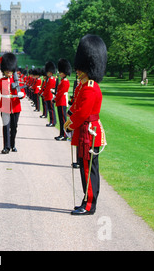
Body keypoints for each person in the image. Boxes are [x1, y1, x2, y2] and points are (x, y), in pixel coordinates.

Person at [64, 35, 107, 216]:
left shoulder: (90, 87)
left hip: (88, 132)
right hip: (84, 131)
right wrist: (70, 114)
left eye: (80, 68)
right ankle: (86, 199)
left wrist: (69, 125)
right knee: (84, 167)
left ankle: (90, 204)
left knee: (88, 169)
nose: (77, 71)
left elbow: (82, 112)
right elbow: (76, 106)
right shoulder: (83, 86)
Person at [0, 53, 25, 154]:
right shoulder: (0, 81)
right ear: (4, 71)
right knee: (6, 126)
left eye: (10, 70)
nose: (8, 72)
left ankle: (12, 144)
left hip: (15, 106)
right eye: (7, 70)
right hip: (5, 107)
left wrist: (21, 95)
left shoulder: (18, 81)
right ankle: (6, 146)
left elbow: (23, 92)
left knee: (14, 127)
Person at [54, 59, 71, 141]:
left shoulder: (65, 82)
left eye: (61, 72)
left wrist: (55, 99)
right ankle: (61, 134)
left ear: (64, 73)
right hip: (60, 101)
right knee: (61, 119)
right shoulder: (62, 81)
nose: (60, 74)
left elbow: (60, 93)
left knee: (63, 119)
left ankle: (64, 135)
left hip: (62, 101)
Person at [43, 61, 57, 127]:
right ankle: (52, 121)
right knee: (50, 110)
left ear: (51, 72)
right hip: (48, 96)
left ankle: (52, 122)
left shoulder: (51, 79)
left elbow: (48, 89)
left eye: (48, 72)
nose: (47, 73)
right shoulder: (49, 79)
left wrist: (44, 94)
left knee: (51, 110)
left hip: (50, 96)